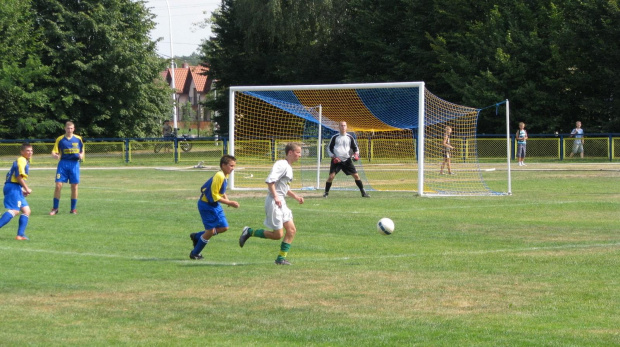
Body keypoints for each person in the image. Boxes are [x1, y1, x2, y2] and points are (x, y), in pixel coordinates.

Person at [238, 143, 305, 265]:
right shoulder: (281, 164)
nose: (300, 155)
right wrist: (275, 197)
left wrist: (295, 196)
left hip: (281, 202)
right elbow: (270, 181)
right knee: (277, 235)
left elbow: (283, 187)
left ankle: (280, 259)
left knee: (291, 230)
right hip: (274, 202)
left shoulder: (289, 167)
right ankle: (249, 231)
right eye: (298, 152)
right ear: (290, 152)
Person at [189, 155, 240, 260]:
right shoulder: (219, 176)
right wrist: (229, 203)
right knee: (210, 231)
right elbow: (214, 196)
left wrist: (227, 199)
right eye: (231, 166)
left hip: (214, 205)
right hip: (206, 205)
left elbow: (221, 190)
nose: (233, 168)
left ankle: (197, 236)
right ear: (223, 165)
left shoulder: (224, 175)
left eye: (234, 166)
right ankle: (195, 253)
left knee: (224, 227)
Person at [322, 121, 370, 198]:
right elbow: (329, 149)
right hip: (336, 160)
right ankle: (326, 193)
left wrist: (356, 154)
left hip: (347, 160)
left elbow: (355, 148)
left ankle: (363, 193)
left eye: (344, 125)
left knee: (356, 176)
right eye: (341, 125)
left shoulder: (350, 137)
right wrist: (334, 157)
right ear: (339, 127)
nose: (343, 127)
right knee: (331, 177)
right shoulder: (335, 137)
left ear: (346, 127)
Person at [50, 121, 85, 215]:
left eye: (71, 128)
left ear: (74, 129)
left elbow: (82, 150)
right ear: (65, 129)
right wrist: (55, 155)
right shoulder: (60, 139)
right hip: (63, 164)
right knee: (58, 185)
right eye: (68, 128)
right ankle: (55, 208)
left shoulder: (78, 139)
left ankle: (73, 209)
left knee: (74, 186)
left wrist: (81, 155)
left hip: (74, 164)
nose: (69, 130)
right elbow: (54, 151)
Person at [1, 143, 34, 240]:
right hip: (12, 187)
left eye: (31, 150)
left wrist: (22, 189)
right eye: (27, 150)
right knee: (15, 210)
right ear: (22, 152)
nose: (30, 152)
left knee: (26, 210)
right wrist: (26, 188)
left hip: (16, 187)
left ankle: (20, 235)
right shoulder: (21, 160)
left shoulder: (24, 160)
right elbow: (18, 176)